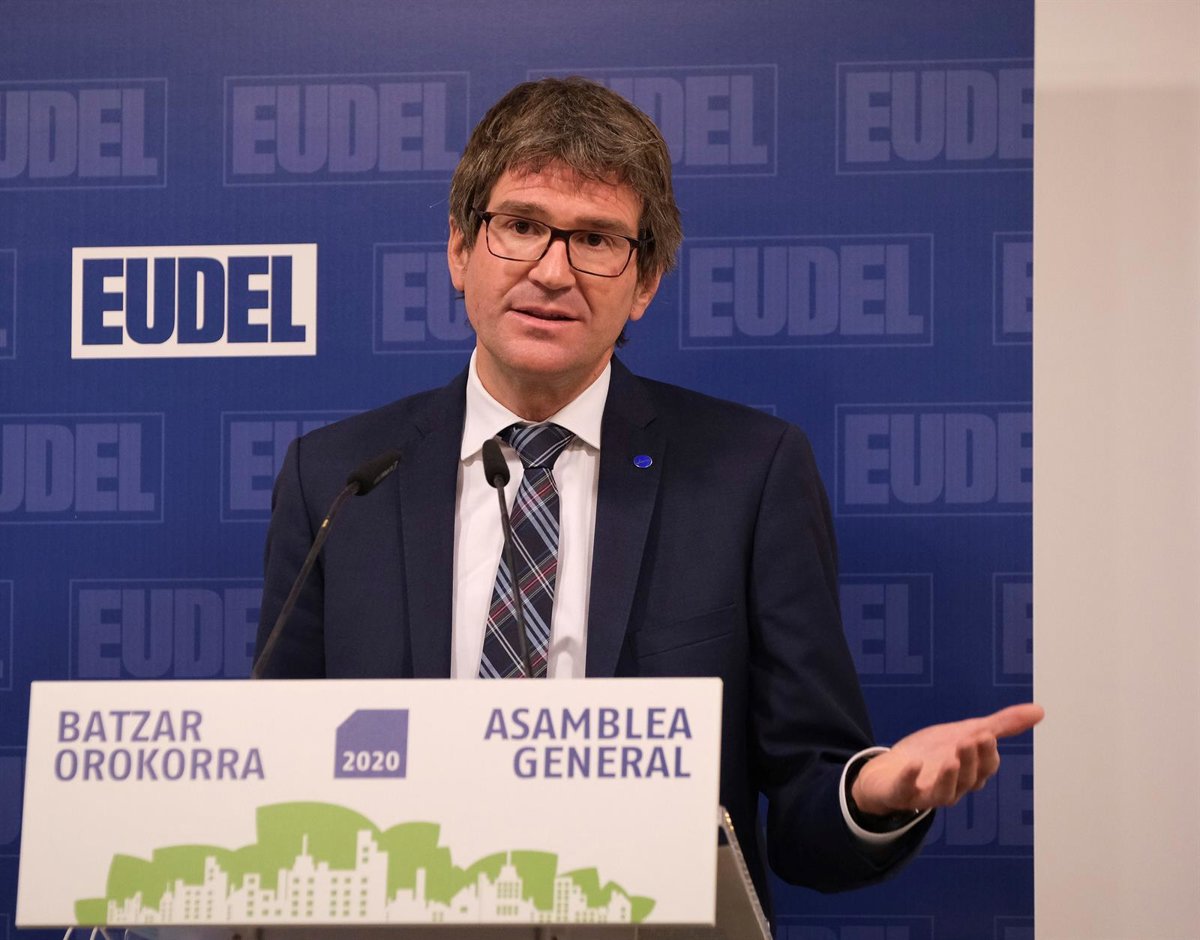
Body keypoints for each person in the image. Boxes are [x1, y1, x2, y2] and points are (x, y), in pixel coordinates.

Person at [255, 76, 1042, 912]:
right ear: (459, 249)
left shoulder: (749, 473)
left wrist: (871, 795)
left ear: (646, 281)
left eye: (596, 240)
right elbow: (277, 777)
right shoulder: (339, 478)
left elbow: (806, 806)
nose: (552, 272)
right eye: (520, 226)